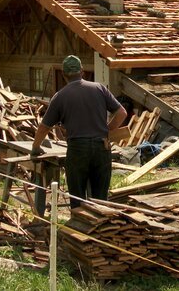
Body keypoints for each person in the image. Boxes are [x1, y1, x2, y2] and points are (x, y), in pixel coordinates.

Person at [31, 55, 127, 211]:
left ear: (64, 75)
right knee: (101, 200)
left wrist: (35, 148)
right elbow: (122, 113)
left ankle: (79, 224)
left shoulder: (60, 96)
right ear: (82, 71)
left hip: (77, 149)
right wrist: (107, 131)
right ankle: (101, 224)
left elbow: (44, 127)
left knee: (77, 198)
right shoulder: (99, 88)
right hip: (101, 148)